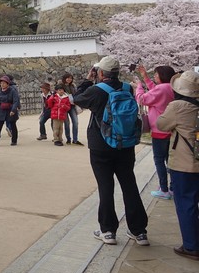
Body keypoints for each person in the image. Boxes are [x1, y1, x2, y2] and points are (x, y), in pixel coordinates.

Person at [72, 56, 149, 247]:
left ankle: (108, 231)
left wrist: (88, 80)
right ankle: (139, 231)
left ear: (100, 73)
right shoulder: (127, 88)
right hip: (125, 144)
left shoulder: (95, 91)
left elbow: (76, 99)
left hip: (101, 147)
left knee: (106, 187)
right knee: (129, 185)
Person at [156, 70, 199, 260]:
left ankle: (191, 246)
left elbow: (161, 124)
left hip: (185, 163)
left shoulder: (177, 106)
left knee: (186, 203)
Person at [133, 64, 176, 200]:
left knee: (159, 160)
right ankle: (173, 187)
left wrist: (138, 87)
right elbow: (155, 91)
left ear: (162, 76)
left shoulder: (162, 88)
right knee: (171, 160)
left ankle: (164, 189)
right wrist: (145, 77)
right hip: (171, 129)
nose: (155, 76)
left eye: (156, 74)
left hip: (159, 130)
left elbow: (142, 99)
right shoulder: (170, 87)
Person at [0, 75, 20, 146]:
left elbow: (16, 101)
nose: (2, 84)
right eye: (1, 83)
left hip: (10, 110)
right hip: (2, 110)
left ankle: (14, 140)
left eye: (4, 83)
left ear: (7, 83)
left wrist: (13, 110)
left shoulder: (12, 91)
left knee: (13, 125)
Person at [61, 73, 83, 145]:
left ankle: (75, 139)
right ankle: (68, 139)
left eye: (70, 78)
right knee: (67, 123)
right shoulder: (61, 86)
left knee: (75, 122)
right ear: (65, 78)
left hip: (72, 106)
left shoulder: (73, 86)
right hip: (64, 106)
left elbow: (76, 94)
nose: (69, 79)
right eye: (68, 78)